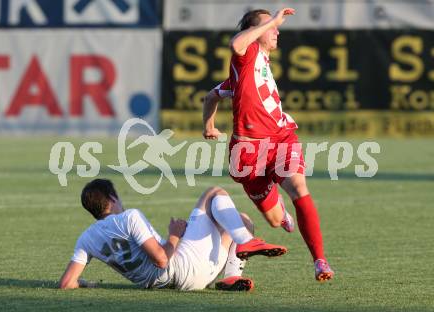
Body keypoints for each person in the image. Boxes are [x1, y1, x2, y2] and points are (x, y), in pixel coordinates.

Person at [202, 8, 334, 281]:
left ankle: (320, 261)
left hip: (280, 139)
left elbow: (210, 97)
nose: (276, 30)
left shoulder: (259, 63)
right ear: (254, 32)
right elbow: (235, 47)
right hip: (247, 154)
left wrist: (209, 125)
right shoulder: (246, 53)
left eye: (275, 26)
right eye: (270, 26)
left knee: (299, 188)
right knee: (275, 221)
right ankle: (281, 213)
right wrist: (208, 127)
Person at [59, 179, 287, 291]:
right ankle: (246, 243)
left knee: (243, 221)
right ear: (111, 199)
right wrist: (175, 235)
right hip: (182, 267)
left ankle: (231, 276)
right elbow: (161, 259)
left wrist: (87, 284)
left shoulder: (86, 238)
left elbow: (67, 283)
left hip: (181, 282)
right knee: (214, 193)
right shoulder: (129, 217)